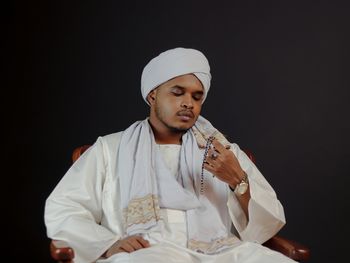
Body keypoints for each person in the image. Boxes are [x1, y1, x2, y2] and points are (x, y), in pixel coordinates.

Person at [44, 47, 295, 263]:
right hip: (148, 251)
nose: (189, 103)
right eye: (178, 93)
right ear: (153, 95)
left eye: (197, 97)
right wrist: (108, 243)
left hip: (220, 251)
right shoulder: (110, 149)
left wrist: (238, 181)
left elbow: (267, 226)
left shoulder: (222, 151)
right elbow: (64, 208)